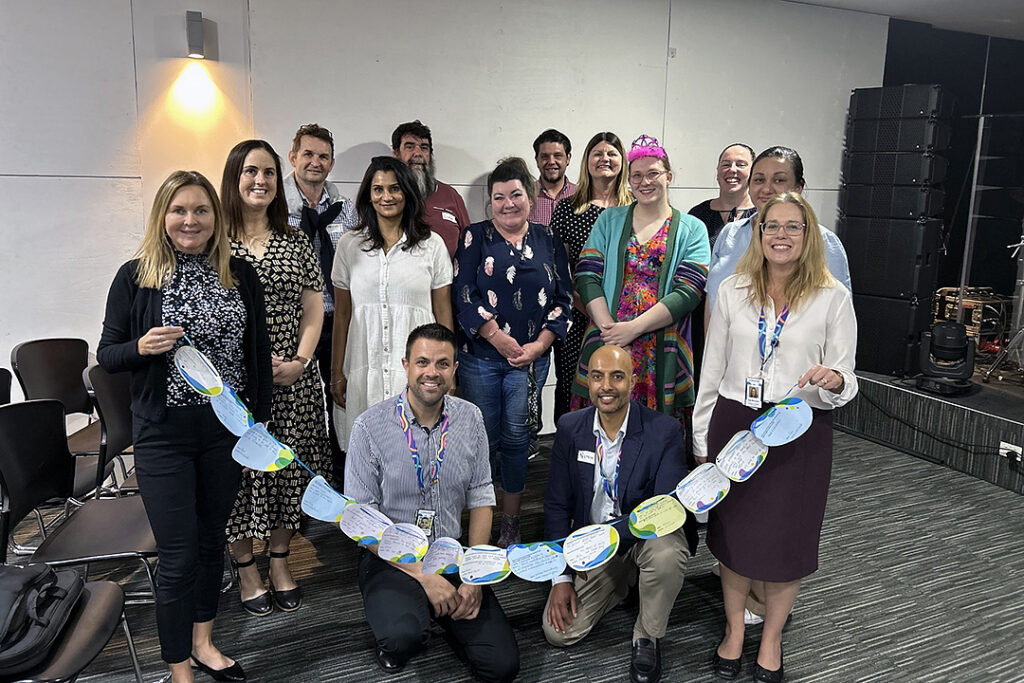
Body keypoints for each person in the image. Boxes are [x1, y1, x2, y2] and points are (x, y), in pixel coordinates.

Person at [98, 170, 272, 683]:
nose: (190, 220)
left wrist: (256, 424)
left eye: (201, 210)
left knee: (210, 542)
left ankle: (203, 643)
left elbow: (255, 356)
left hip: (225, 431)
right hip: (164, 434)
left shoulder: (238, 273)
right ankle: (179, 670)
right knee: (176, 557)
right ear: (162, 216)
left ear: (216, 217)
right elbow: (107, 353)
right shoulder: (137, 275)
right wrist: (140, 347)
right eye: (179, 210)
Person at [692, 192, 858, 682]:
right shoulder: (732, 291)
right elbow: (712, 370)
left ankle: (770, 640)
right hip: (735, 424)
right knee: (733, 537)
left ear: (809, 238)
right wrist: (702, 439)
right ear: (758, 234)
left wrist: (833, 381)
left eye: (793, 227)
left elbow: (848, 378)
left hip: (799, 433)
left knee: (787, 542)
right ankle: (734, 632)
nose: (780, 235)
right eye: (771, 226)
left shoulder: (832, 296)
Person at [345, 324, 520, 682]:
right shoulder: (368, 427)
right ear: (406, 365)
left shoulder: (470, 418)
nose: (432, 372)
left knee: (502, 666)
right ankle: (416, 615)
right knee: (402, 639)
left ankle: (445, 617)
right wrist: (423, 575)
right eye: (422, 362)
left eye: (442, 364)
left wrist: (475, 573)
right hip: (390, 557)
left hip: (451, 553)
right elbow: (361, 524)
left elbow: (483, 497)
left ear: (454, 370)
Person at [221, 139, 331, 618]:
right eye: (250, 171)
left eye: (267, 172)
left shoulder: (295, 237)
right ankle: (246, 567)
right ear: (234, 177)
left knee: (291, 467)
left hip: (294, 379)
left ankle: (281, 559)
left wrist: (302, 361)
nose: (260, 180)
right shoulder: (214, 239)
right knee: (241, 475)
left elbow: (313, 308)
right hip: (236, 383)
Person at [543, 344, 696, 683]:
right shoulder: (570, 428)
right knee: (559, 634)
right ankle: (624, 583)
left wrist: (607, 540)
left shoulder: (663, 430)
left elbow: (665, 510)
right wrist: (561, 576)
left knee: (667, 552)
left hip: (644, 537)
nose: (606, 386)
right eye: (597, 377)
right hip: (594, 548)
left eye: (616, 377)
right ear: (587, 381)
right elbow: (556, 505)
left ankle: (648, 634)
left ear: (633, 380)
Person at [453, 157, 572, 548]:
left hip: (530, 362)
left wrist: (539, 346)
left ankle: (511, 519)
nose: (507, 204)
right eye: (499, 197)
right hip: (481, 360)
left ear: (530, 196)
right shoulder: (474, 236)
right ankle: (481, 520)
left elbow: (563, 298)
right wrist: (495, 336)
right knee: (482, 441)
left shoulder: (549, 239)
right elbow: (463, 294)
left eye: (516, 194)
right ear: (490, 201)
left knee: (519, 440)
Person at [572, 135, 710, 429]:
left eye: (653, 173)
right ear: (629, 180)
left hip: (662, 341)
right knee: (601, 423)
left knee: (654, 433)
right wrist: (609, 329)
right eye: (637, 175)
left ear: (669, 176)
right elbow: (586, 274)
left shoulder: (692, 228)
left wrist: (632, 329)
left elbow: (689, 291)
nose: (645, 181)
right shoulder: (609, 220)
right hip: (607, 335)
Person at [331, 156, 453, 452]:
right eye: (378, 189)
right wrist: (336, 372)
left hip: (417, 372)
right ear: (368, 195)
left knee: (417, 454)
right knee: (365, 459)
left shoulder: (431, 245)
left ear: (407, 193)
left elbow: (443, 313)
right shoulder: (350, 245)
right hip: (364, 368)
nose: (386, 196)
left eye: (395, 188)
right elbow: (343, 315)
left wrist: (448, 370)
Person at [283, 123, 359, 482]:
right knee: (295, 406)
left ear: (331, 163)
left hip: (337, 319)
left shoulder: (345, 210)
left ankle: (341, 480)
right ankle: (298, 483)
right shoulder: (274, 203)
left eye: (323, 156)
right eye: (308, 154)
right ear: (293, 156)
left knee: (339, 397)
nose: (315, 162)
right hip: (290, 321)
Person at [705, 145, 852, 322]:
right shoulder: (730, 234)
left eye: (779, 180)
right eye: (759, 180)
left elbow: (839, 318)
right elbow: (712, 303)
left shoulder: (823, 241)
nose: (767, 189)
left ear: (799, 188)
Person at [549, 132, 633, 421]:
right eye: (597, 153)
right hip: (577, 312)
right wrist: (587, 307)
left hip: (626, 318)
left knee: (618, 383)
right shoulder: (568, 207)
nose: (604, 159)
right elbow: (556, 266)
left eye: (612, 153)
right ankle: (570, 449)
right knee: (574, 383)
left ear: (623, 161)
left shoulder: (636, 207)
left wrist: (615, 320)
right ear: (586, 161)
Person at [688, 143, 757, 396]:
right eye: (726, 164)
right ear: (717, 171)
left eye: (741, 164)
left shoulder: (764, 217)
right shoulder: (697, 215)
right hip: (700, 315)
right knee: (702, 384)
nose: (732, 170)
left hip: (747, 316)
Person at [391, 120, 470, 258]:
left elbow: (470, 247)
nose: (418, 153)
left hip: (450, 279)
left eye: (424, 147)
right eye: (410, 147)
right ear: (395, 154)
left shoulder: (451, 196)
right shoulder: (385, 199)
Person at [528, 128, 576, 226]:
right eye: (545, 157)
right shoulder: (524, 195)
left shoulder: (582, 195)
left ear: (568, 159)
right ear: (537, 160)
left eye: (558, 156)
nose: (551, 162)